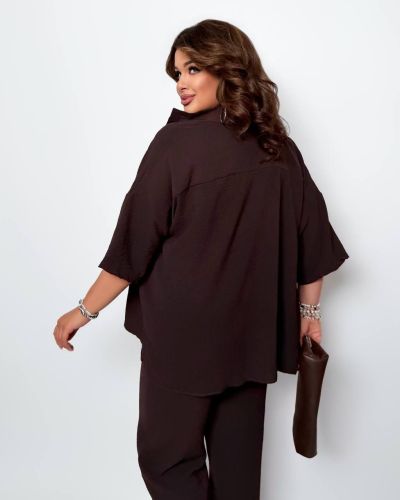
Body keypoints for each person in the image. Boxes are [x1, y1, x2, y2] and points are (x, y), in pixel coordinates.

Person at [53, 19, 349, 500]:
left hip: (184, 342)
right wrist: (309, 314)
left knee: (166, 460)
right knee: (238, 473)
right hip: (253, 337)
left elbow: (131, 248)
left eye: (193, 69)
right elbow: (311, 244)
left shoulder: (175, 146)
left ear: (227, 68)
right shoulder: (279, 149)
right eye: (177, 73)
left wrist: (83, 311)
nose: (182, 83)